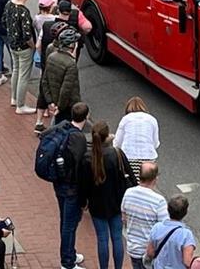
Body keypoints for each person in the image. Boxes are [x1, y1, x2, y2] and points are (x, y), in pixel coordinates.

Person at [81, 120, 133, 269]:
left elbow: (84, 184)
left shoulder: (88, 158)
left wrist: (83, 202)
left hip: (97, 205)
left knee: (102, 239)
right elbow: (128, 175)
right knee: (117, 238)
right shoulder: (116, 154)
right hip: (116, 203)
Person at [45, 101, 90, 269]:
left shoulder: (62, 129)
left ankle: (70, 253)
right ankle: (67, 263)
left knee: (65, 220)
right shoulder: (78, 138)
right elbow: (81, 167)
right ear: (86, 117)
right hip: (71, 187)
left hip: (59, 183)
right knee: (69, 224)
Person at [122, 162, 169, 269]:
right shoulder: (159, 201)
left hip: (133, 248)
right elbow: (164, 228)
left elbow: (124, 218)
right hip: (150, 251)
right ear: (155, 178)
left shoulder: (128, 193)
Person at [3, 0, 36, 113]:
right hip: (23, 47)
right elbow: (27, 34)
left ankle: (14, 98)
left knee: (16, 70)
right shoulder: (23, 11)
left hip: (12, 44)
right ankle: (21, 105)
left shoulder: (9, 4)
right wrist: (33, 47)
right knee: (24, 75)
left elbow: (4, 21)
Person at [42, 28, 83, 125]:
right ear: (71, 45)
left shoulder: (51, 57)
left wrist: (50, 102)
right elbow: (66, 90)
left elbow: (44, 81)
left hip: (55, 102)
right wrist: (60, 108)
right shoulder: (71, 64)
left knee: (56, 125)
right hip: (68, 106)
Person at [113, 96, 159, 180]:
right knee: (147, 182)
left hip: (129, 157)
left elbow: (117, 143)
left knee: (131, 181)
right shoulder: (152, 119)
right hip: (148, 157)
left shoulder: (125, 119)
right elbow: (155, 143)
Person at [146, 195, 196, 269]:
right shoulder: (186, 234)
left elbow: (150, 252)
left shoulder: (157, 227)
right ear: (185, 212)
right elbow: (187, 261)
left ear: (168, 209)